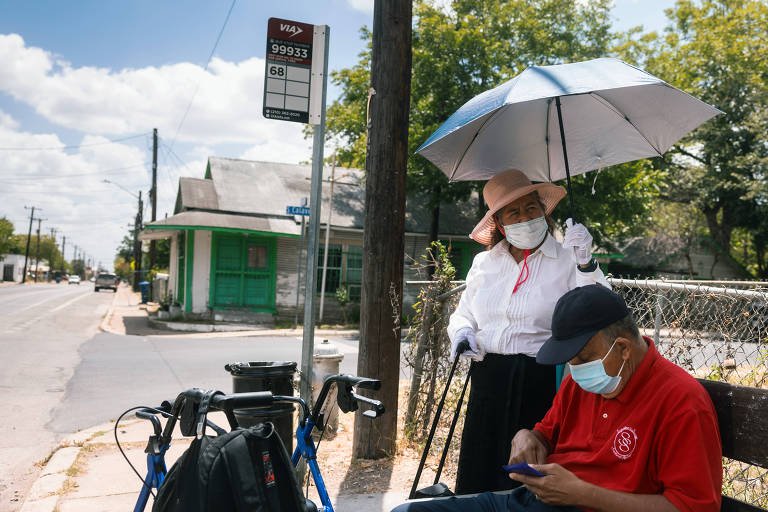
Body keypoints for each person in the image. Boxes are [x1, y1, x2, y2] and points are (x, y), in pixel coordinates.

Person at [394, 284, 722, 512]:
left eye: (580, 358)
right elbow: (544, 433)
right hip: (536, 502)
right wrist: (527, 436)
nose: (574, 370)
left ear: (622, 348)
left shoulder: (681, 403)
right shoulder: (587, 381)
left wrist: (585, 494)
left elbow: (693, 507)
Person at [447, 169, 608, 494]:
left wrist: (587, 265)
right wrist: (463, 333)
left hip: (540, 379)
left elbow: (597, 307)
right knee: (481, 470)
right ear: (501, 224)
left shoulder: (568, 259)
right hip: (488, 379)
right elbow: (463, 313)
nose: (525, 217)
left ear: (544, 212)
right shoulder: (484, 263)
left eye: (531, 208)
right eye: (514, 212)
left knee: (529, 478)